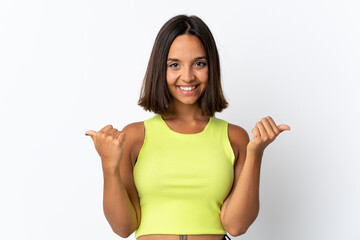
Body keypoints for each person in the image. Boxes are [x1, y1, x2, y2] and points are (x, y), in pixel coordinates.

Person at [85, 15, 290, 240]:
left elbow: (236, 226)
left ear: (211, 68)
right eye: (174, 65)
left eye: (199, 64)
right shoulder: (134, 137)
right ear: (159, 70)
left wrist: (256, 153)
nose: (188, 76)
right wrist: (108, 166)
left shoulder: (234, 138)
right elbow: (123, 228)